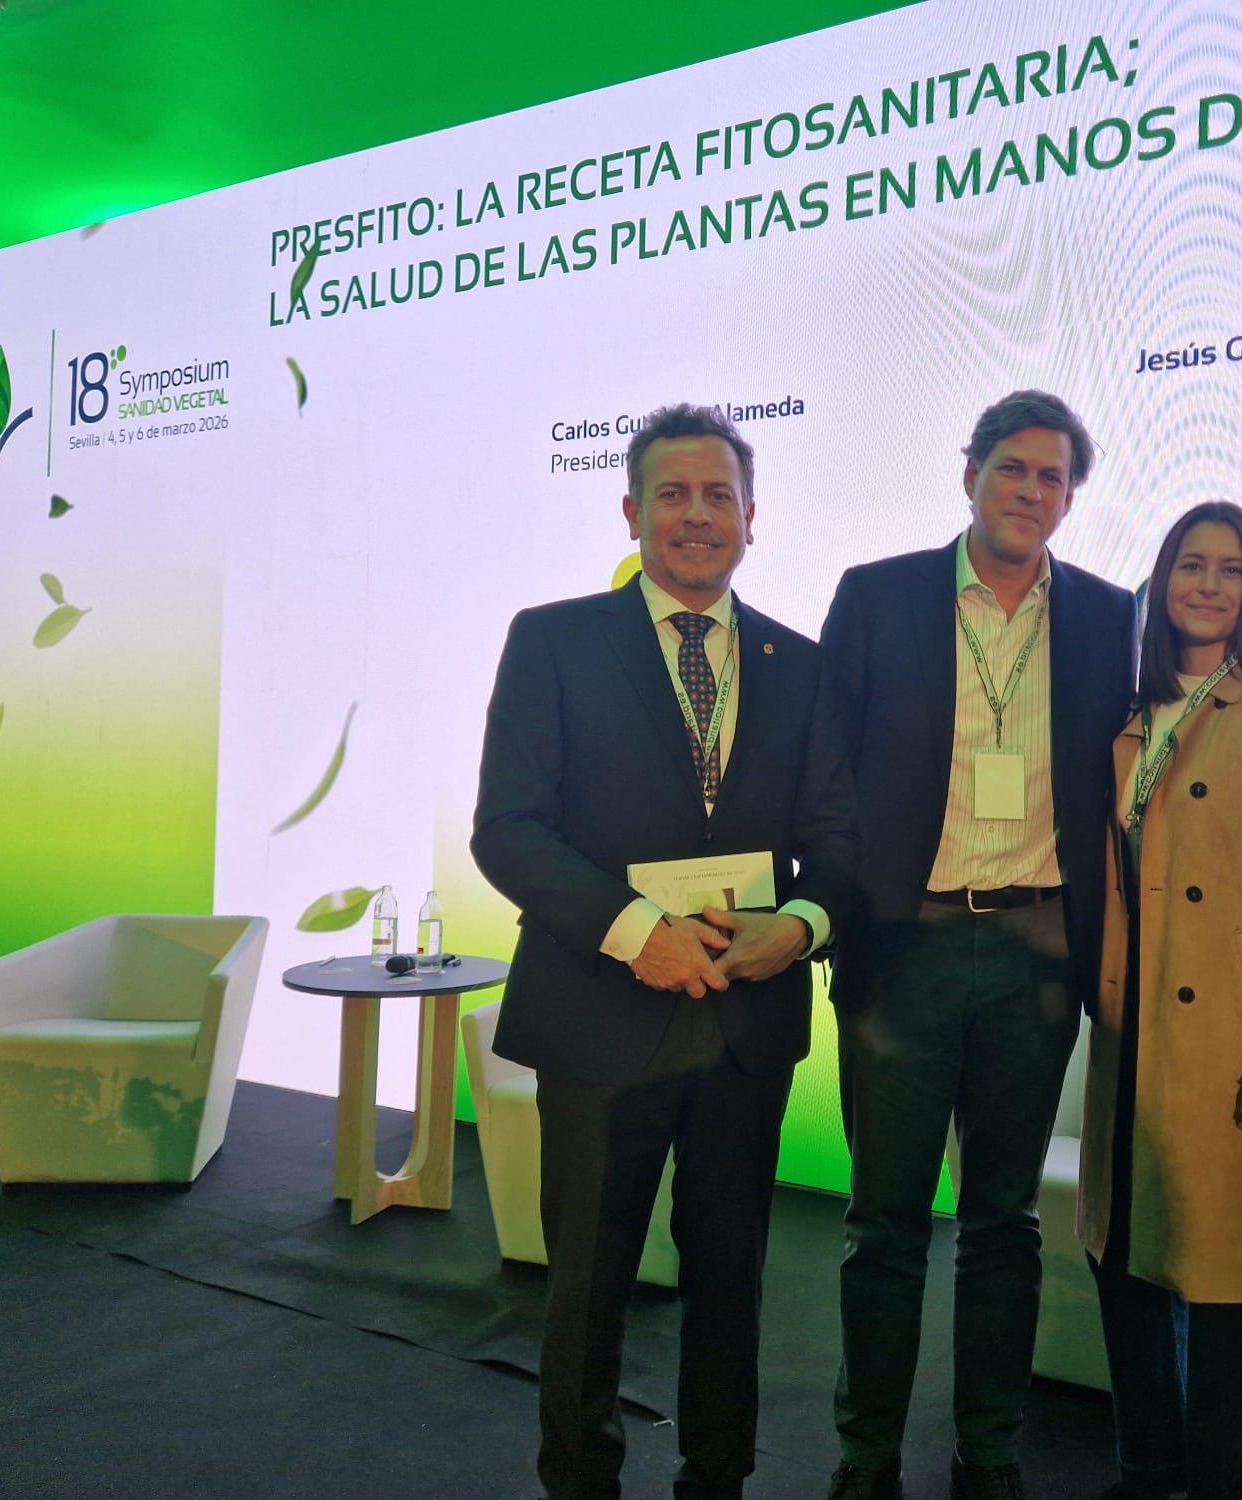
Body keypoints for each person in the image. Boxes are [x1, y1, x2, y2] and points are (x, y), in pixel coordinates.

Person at [471, 403, 858, 1500]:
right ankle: (580, 1482)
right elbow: (509, 830)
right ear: (632, 510)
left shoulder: (802, 665)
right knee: (586, 1289)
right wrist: (636, 934)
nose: (697, 515)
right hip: (600, 1017)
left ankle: (716, 1480)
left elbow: (839, 841)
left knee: (731, 1284)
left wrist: (802, 926)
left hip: (746, 1022)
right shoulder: (553, 641)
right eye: (673, 494)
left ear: (751, 518)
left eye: (718, 495)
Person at [817, 390, 1136, 1500]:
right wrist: (829, 911)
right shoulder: (877, 596)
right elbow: (826, 771)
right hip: (901, 946)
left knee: (1004, 1222)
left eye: (1053, 478)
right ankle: (865, 1456)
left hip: (1036, 952)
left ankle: (988, 1452)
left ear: (1068, 499)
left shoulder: (1108, 616)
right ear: (970, 477)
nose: (1031, 492)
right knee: (884, 1222)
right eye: (1013, 469)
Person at [1078, 502, 1242, 1500]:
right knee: (1128, 1272)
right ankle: (1149, 1475)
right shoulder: (1135, 713)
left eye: (1229, 569)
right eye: (1189, 566)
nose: (1206, 585)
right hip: (1138, 1043)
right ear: (1160, 584)